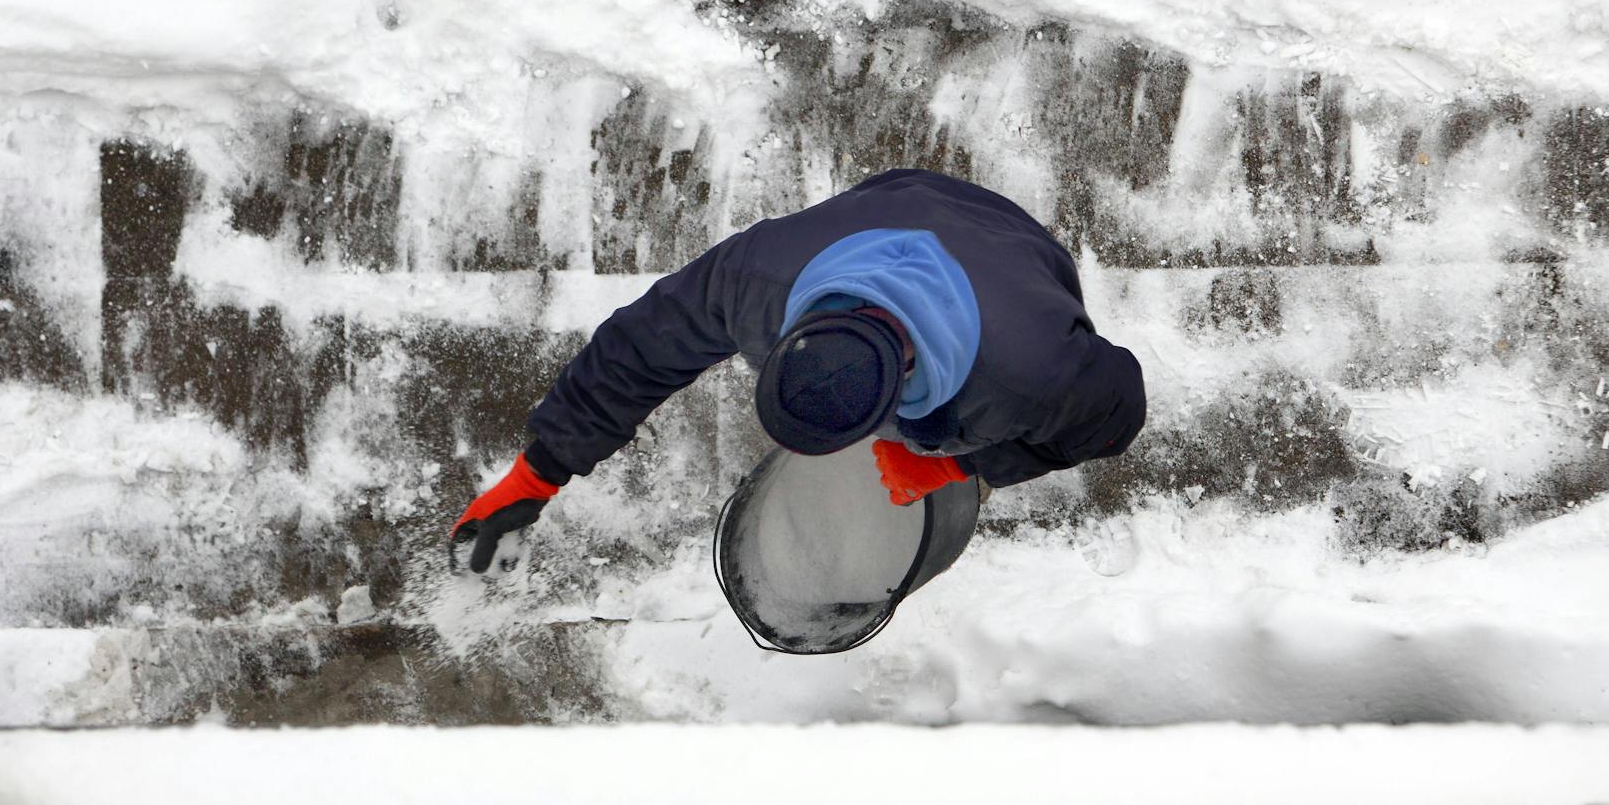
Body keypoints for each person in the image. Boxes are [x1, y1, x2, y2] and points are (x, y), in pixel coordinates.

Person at [451, 168, 1145, 573]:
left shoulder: (1030, 373)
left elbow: (1119, 411)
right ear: (790, 336)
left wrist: (967, 464)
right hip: (894, 199)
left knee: (957, 433)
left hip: (1018, 257)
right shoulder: (755, 281)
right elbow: (640, 347)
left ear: (903, 381)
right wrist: (538, 472)